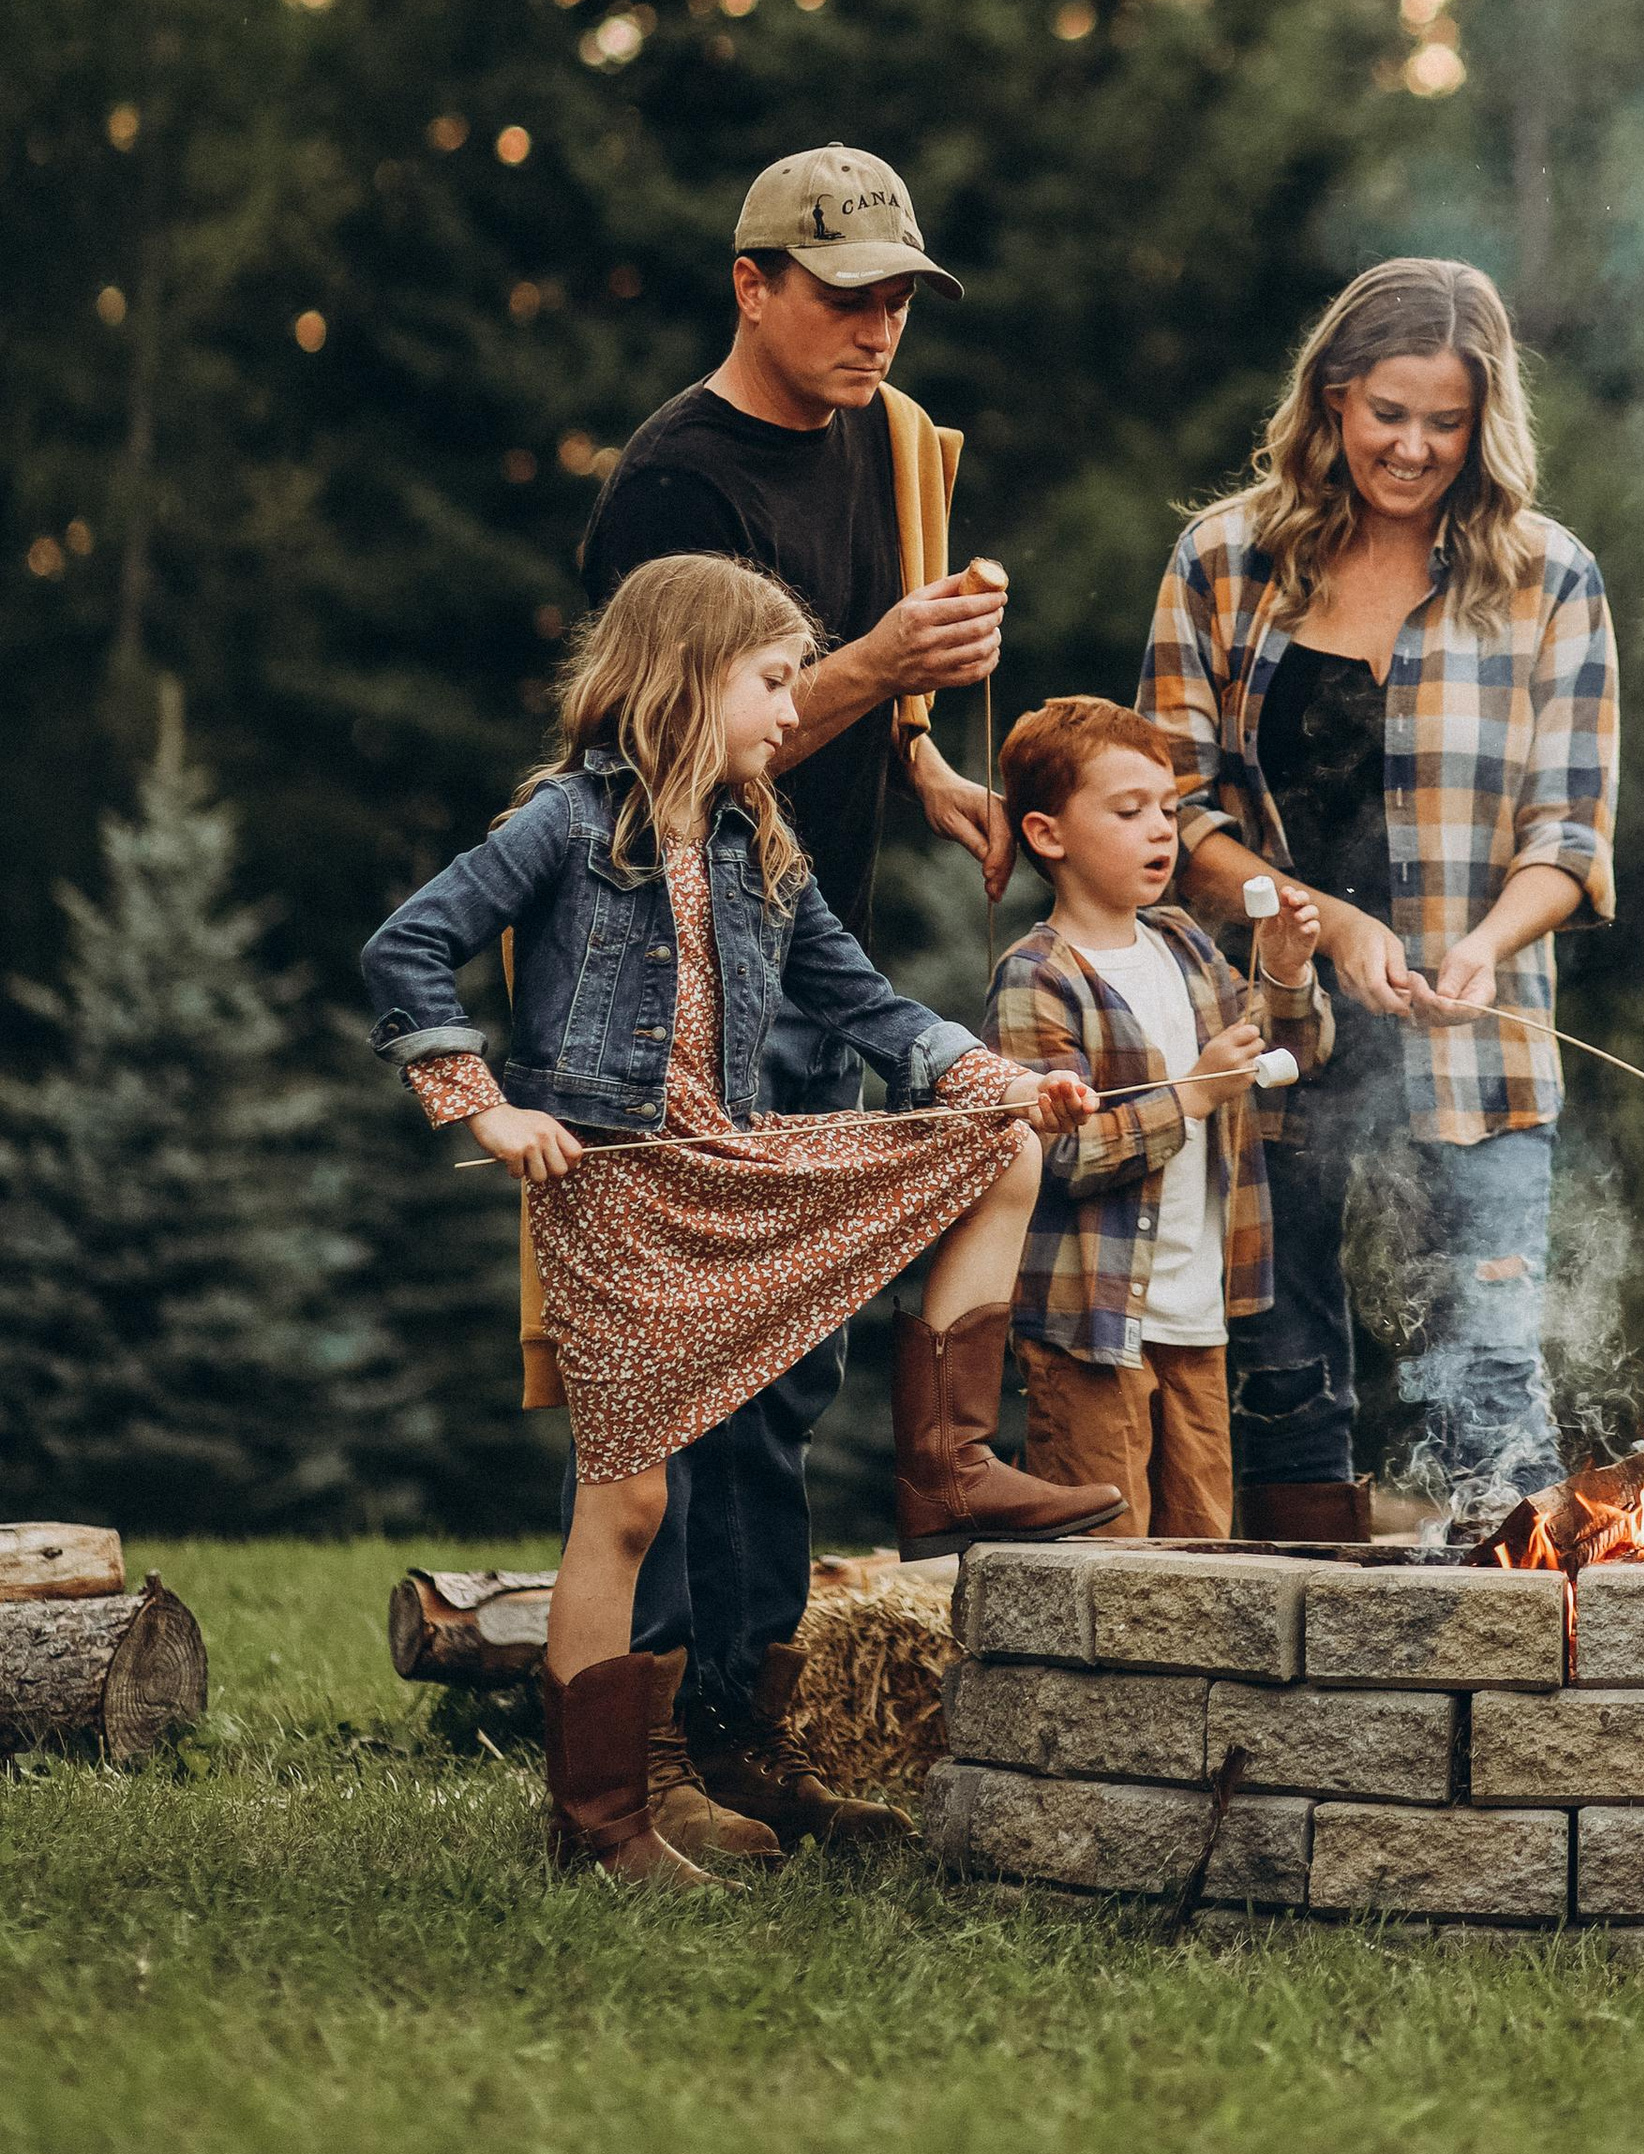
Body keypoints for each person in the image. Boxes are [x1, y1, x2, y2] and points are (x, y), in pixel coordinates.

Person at [362, 555, 1120, 1889]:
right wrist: (483, 1108)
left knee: (999, 1141)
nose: (793, 708)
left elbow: (865, 1003)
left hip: (732, 1166)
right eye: (772, 680)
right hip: (616, 1191)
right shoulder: (566, 824)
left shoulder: (756, 841)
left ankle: (943, 1460)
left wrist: (999, 1074)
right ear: (689, 674)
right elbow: (405, 950)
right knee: (632, 1499)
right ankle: (601, 1824)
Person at [554, 141, 1014, 1860]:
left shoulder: (892, 449)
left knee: (788, 1367)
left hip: (807, 943)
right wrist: (880, 664)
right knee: (683, 1367)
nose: (878, 329)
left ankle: (747, 1731)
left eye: (900, 296)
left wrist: (930, 759)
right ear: (751, 285)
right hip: (675, 975)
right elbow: (652, 758)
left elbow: (841, 707)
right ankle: (645, 1755)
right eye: (844, 296)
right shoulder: (674, 486)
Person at [1141, 257, 1619, 1540]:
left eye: (1445, 422)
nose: (1412, 448)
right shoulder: (1223, 562)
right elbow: (1170, 814)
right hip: (1274, 1034)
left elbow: (1568, 836)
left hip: (1482, 1046)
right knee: (1282, 1380)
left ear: (1484, 423)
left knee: (1490, 1381)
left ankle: (1526, 1689)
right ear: (1332, 401)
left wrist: (1481, 946)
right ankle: (1303, 1698)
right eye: (1387, 414)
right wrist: (1323, 923)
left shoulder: (1548, 577)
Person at [985, 698, 1332, 1540]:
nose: (1160, 832)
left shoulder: (1183, 942)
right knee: (1101, 1561)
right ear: (1047, 834)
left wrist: (1285, 974)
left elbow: (1288, 1056)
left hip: (1195, 1317)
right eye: (1128, 811)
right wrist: (1193, 1095)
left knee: (1202, 1556)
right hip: (1091, 1326)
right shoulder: (1037, 977)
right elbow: (1054, 1156)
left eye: (1169, 811)